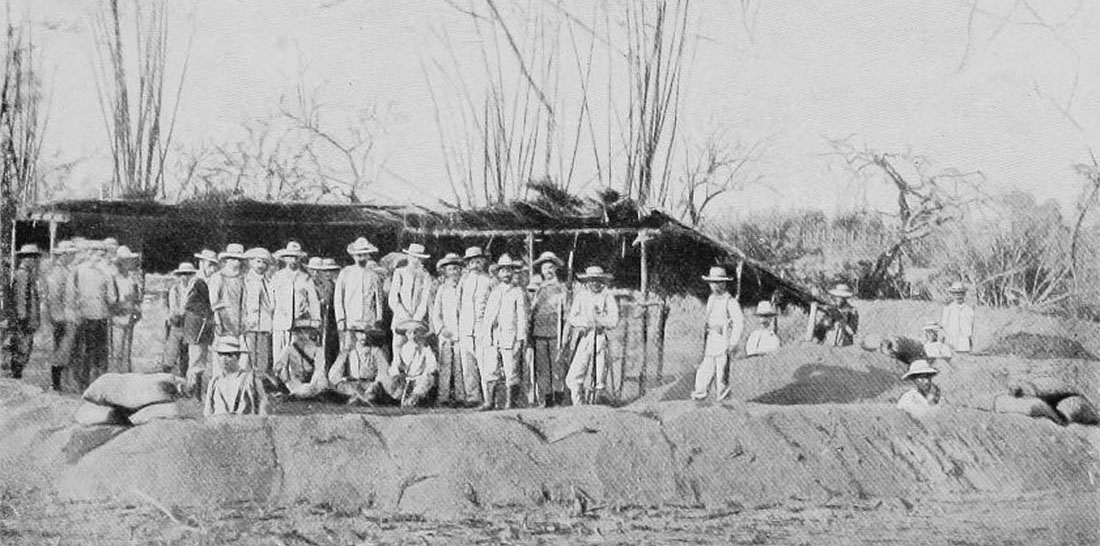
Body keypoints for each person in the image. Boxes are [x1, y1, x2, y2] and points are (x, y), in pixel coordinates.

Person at [478, 254, 528, 410]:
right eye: (503, 271)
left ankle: (510, 402)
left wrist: (521, 338)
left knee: (511, 368)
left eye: (509, 271)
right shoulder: (494, 292)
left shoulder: (517, 292)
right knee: (491, 368)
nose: (506, 274)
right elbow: (488, 315)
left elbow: (522, 316)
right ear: (498, 273)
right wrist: (485, 333)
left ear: (513, 273)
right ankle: (490, 401)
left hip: (510, 335)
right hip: (493, 336)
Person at [564, 266, 620, 405]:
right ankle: (579, 405)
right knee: (574, 376)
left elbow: (614, 319)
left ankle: (596, 405)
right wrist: (585, 323)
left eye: (598, 280)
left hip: (600, 338)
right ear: (587, 281)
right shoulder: (581, 296)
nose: (594, 283)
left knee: (599, 376)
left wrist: (601, 321)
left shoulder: (607, 296)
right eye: (591, 280)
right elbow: (572, 317)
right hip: (585, 337)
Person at [691, 266, 744, 401]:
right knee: (705, 369)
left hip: (723, 339)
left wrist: (733, 342)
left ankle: (723, 397)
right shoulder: (711, 300)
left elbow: (738, 323)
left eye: (717, 282)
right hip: (711, 340)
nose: (714, 286)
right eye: (712, 282)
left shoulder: (730, 301)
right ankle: (700, 393)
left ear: (724, 283)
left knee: (722, 372)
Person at [69, 240, 117, 390]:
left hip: (88, 316)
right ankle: (93, 382)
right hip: (95, 317)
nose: (99, 257)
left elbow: (72, 294)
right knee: (97, 351)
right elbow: (112, 298)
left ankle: (84, 382)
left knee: (86, 351)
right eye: (98, 253)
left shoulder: (79, 270)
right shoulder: (107, 272)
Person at [528, 251, 567, 407]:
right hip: (539, 333)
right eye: (545, 268)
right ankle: (546, 399)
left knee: (557, 367)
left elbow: (566, 312)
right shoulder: (537, 288)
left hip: (555, 333)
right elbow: (531, 312)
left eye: (551, 267)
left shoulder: (562, 288)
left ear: (556, 269)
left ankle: (558, 399)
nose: (548, 271)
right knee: (543, 369)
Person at [334, 237, 385, 353]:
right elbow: (338, 298)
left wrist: (378, 318)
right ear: (353, 256)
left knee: (368, 350)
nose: (361, 258)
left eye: (364, 255)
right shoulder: (345, 273)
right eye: (359, 255)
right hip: (350, 320)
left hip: (368, 320)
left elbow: (378, 299)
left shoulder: (373, 275)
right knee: (348, 350)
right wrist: (340, 319)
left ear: (368, 256)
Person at [271, 241, 321, 361]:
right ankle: (279, 378)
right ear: (285, 259)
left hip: (299, 323)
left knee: (296, 354)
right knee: (279, 353)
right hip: (280, 322)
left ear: (299, 259)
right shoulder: (277, 276)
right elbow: (271, 300)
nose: (292, 260)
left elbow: (313, 301)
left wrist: (316, 320)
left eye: (295, 257)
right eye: (290, 257)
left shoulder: (306, 278)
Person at [457, 246, 493, 406]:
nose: (474, 264)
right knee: (468, 364)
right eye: (471, 261)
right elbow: (458, 305)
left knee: (484, 363)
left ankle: (488, 397)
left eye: (478, 260)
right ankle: (472, 397)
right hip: (466, 327)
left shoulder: (489, 281)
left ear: (483, 262)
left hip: (482, 327)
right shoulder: (463, 282)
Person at [430, 252, 465, 406]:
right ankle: (443, 396)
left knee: (460, 366)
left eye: (456, 269)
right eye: (450, 269)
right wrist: (441, 329)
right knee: (445, 365)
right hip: (446, 332)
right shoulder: (442, 289)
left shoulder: (464, 288)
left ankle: (460, 396)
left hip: (461, 332)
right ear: (445, 271)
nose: (454, 272)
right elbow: (436, 312)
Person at [204, 337, 269, 417]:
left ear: (238, 357)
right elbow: (207, 412)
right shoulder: (214, 382)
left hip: (243, 424)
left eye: (229, 355)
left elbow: (263, 402)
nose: (224, 359)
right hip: (219, 425)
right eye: (221, 355)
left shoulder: (250, 379)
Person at [388, 243, 432, 358]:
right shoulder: (400, 273)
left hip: (418, 320)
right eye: (413, 257)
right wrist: (404, 315)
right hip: (400, 319)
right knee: (398, 347)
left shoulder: (425, 276)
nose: (416, 260)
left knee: (417, 350)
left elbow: (424, 299)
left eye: (419, 258)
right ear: (408, 257)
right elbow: (393, 298)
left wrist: (416, 318)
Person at [44, 241, 77, 390]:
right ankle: (56, 383)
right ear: (64, 255)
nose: (73, 256)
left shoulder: (65, 270)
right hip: (61, 317)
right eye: (71, 254)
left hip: (66, 316)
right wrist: (59, 317)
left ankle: (61, 382)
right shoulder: (57, 273)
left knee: (65, 349)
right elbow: (54, 296)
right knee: (60, 350)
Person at [327, 327, 389, 405]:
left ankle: (362, 398)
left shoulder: (376, 351)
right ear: (355, 334)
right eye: (360, 332)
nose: (364, 336)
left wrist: (374, 384)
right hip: (351, 385)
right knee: (342, 388)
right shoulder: (348, 352)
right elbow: (333, 374)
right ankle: (358, 398)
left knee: (373, 393)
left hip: (368, 384)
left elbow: (383, 371)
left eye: (366, 333)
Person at [384, 320, 438, 407]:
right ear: (406, 334)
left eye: (415, 332)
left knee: (427, 379)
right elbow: (396, 364)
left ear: (419, 333)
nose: (412, 335)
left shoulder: (425, 348)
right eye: (409, 333)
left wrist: (426, 372)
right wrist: (397, 373)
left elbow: (432, 363)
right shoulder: (402, 348)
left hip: (420, 377)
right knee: (390, 380)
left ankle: (414, 398)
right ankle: (402, 398)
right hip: (406, 378)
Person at [272, 321, 329, 399]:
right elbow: (278, 366)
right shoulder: (289, 349)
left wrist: (312, 384)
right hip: (296, 380)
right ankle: (302, 394)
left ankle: (306, 394)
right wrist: (285, 378)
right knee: (301, 391)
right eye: (298, 331)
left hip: (313, 381)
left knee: (322, 383)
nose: (301, 334)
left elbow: (319, 369)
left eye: (305, 331)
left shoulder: (316, 349)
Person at [241, 247, 275, 378]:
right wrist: (244, 319)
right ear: (250, 262)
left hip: (265, 323)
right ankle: (245, 383)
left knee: (262, 356)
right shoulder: (245, 280)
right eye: (258, 262)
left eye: (265, 263)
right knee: (247, 355)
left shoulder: (269, 282)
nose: (261, 266)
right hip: (250, 323)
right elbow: (242, 302)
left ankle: (259, 382)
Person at [109, 245, 143, 373]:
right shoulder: (114, 278)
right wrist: (124, 299)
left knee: (127, 351)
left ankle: (126, 374)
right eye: (126, 261)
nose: (128, 264)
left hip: (129, 317)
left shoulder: (131, 279)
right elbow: (111, 299)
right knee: (117, 351)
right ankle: (116, 375)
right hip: (118, 317)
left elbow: (137, 298)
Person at [10, 244, 41, 380]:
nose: (35, 262)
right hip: (24, 320)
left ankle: (17, 373)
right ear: (26, 259)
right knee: (22, 347)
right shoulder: (22, 274)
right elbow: (21, 297)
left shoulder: (27, 274)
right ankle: (16, 374)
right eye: (33, 258)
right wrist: (22, 316)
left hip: (28, 319)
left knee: (25, 346)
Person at [306, 257, 341, 372]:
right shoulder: (306, 284)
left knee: (326, 346)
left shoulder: (331, 286)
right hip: (310, 320)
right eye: (313, 270)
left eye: (319, 271)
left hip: (327, 321)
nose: (316, 273)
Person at [209, 243, 247, 346]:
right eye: (233, 259)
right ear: (226, 260)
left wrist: (244, 319)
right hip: (223, 318)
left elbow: (244, 301)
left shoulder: (242, 278)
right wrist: (217, 320)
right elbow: (213, 302)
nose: (236, 262)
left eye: (239, 260)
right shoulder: (218, 277)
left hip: (238, 319)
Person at [162, 262, 196, 377]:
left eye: (188, 274)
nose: (185, 277)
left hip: (189, 325)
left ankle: (184, 381)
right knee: (170, 355)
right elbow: (173, 309)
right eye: (183, 274)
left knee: (186, 355)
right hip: (177, 325)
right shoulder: (175, 290)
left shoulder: (194, 290)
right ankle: (166, 379)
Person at [940, 282, 974, 353]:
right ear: (952, 295)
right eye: (955, 293)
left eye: (960, 293)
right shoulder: (948, 308)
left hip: (964, 344)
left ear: (964, 294)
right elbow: (944, 325)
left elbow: (970, 327)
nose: (958, 296)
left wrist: (969, 341)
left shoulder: (969, 309)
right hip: (950, 341)